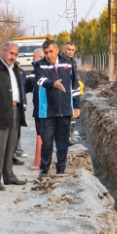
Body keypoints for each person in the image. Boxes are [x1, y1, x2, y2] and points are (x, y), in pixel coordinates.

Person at [0, 41, 28, 191]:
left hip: (15, 111)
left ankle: (9, 175)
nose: (13, 56)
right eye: (11, 53)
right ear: (3, 51)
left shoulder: (15, 69)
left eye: (15, 54)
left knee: (11, 146)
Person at [34, 39, 80, 177]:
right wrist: (53, 84)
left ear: (57, 51)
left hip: (65, 110)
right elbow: (39, 80)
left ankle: (61, 168)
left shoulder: (68, 64)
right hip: (48, 111)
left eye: (51, 52)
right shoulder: (39, 65)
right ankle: (44, 169)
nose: (48, 55)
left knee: (62, 143)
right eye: (46, 53)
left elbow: (75, 85)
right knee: (47, 142)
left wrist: (77, 105)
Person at [24, 48, 45, 171]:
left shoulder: (46, 71)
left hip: (46, 110)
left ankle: (42, 162)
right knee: (42, 134)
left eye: (34, 56)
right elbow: (25, 87)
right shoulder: (34, 72)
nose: (32, 59)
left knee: (43, 135)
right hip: (39, 110)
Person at [61, 41, 79, 146]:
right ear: (64, 50)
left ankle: (71, 133)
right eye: (68, 49)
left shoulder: (73, 61)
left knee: (73, 114)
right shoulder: (61, 61)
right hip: (63, 92)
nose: (70, 52)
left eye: (72, 50)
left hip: (72, 91)